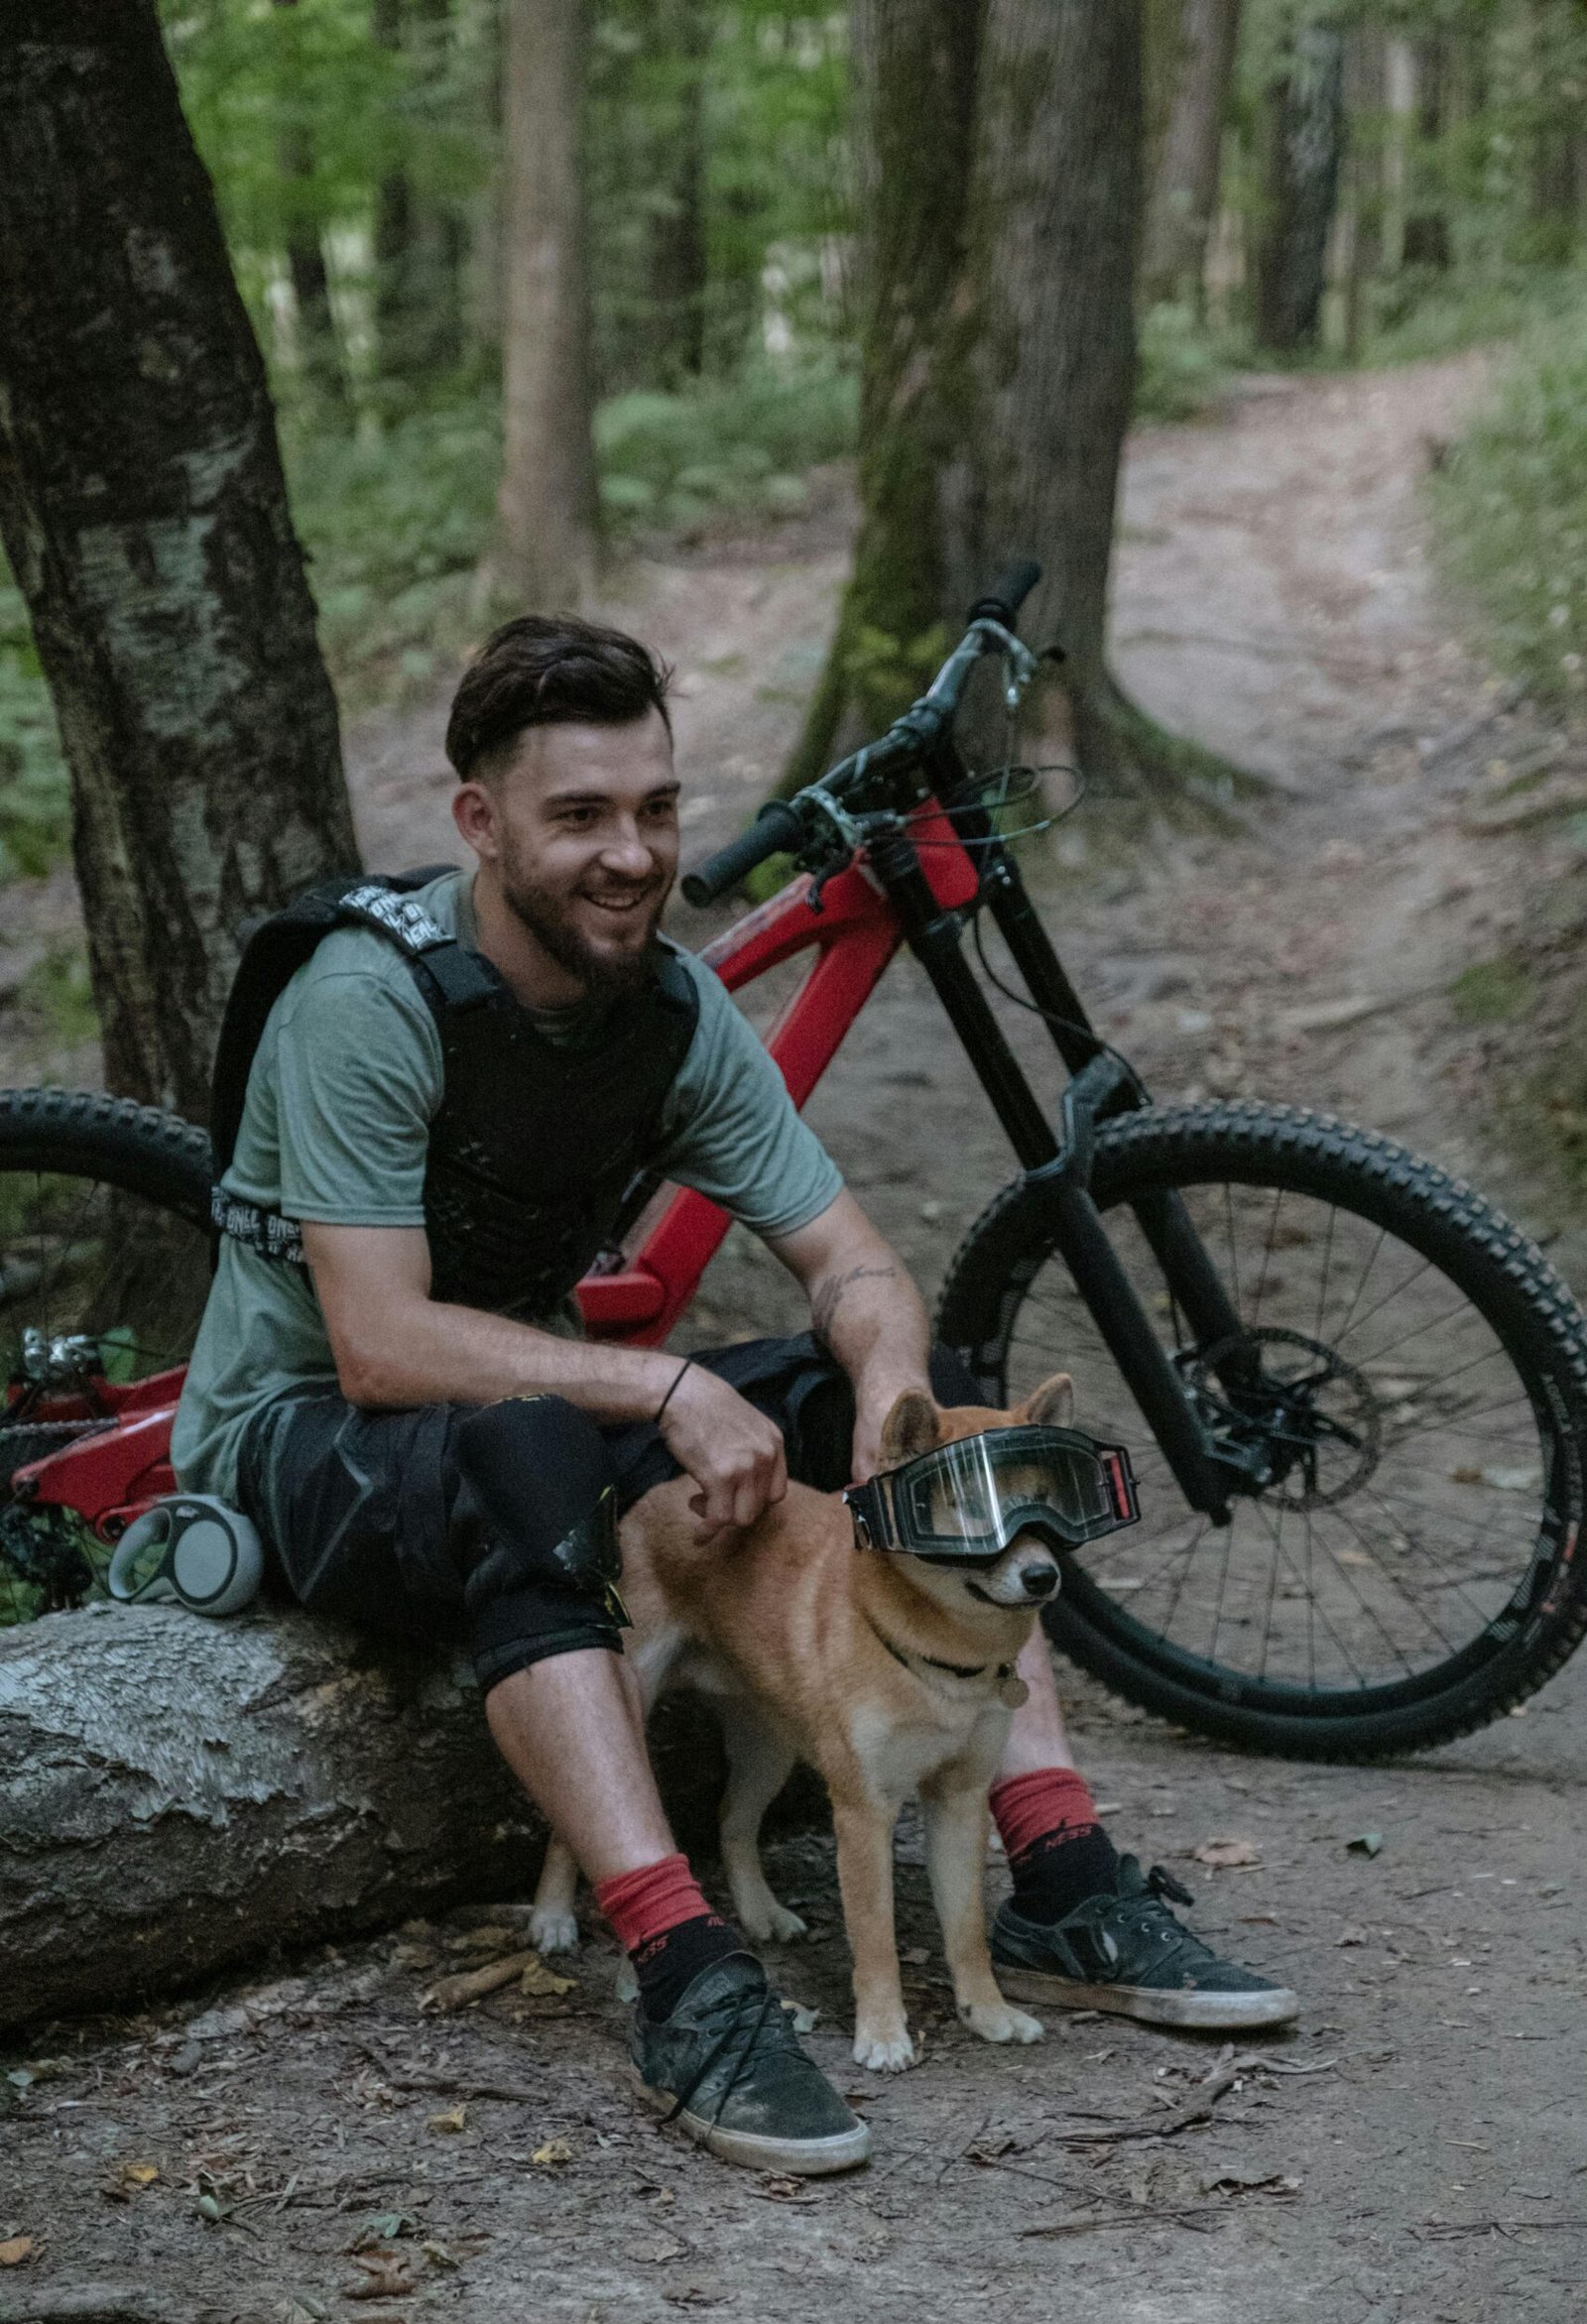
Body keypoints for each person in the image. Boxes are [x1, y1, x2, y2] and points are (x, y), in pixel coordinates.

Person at [173, 616, 1296, 2179]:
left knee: (938, 1402)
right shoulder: (370, 1004)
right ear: (481, 825)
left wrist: (896, 1404)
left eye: (656, 808)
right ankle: (685, 1971)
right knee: (529, 1452)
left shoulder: (671, 1010)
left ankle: (1059, 1875)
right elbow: (379, 1345)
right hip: (300, 1433)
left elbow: (852, 1263)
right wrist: (667, 1382)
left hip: (536, 1391)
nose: (631, 855)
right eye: (580, 817)